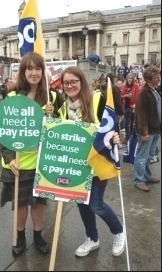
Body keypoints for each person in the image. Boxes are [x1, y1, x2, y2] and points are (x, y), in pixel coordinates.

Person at [57, 66, 125, 257]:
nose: (70, 86)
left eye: (74, 82)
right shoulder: (62, 109)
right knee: (82, 203)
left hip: (96, 161)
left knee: (96, 204)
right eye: (66, 83)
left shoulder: (96, 98)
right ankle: (92, 238)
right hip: (76, 165)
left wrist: (116, 136)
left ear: (81, 82)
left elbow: (111, 122)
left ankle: (118, 231)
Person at [0, 52, 60, 258]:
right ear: (23, 72)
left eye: (38, 68)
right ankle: (20, 236)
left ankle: (37, 234)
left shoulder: (52, 96)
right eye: (29, 68)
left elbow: (59, 129)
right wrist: (10, 158)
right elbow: (3, 131)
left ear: (43, 72)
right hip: (17, 162)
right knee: (20, 203)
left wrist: (54, 116)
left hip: (41, 162)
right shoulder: (12, 97)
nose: (34, 73)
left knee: (38, 202)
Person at [133, 66, 161, 192]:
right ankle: (139, 180)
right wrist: (144, 132)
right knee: (142, 157)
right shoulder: (143, 93)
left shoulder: (154, 90)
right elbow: (141, 114)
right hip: (147, 131)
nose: (159, 79)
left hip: (155, 129)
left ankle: (147, 176)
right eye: (156, 77)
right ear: (149, 79)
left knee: (149, 156)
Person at [121, 73, 140, 144]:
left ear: (133, 79)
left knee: (132, 122)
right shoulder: (124, 86)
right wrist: (125, 96)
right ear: (126, 79)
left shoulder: (136, 86)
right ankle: (127, 136)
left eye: (131, 78)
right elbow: (121, 96)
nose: (129, 80)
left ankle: (131, 136)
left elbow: (138, 95)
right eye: (128, 78)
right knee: (126, 122)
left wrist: (134, 101)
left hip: (132, 106)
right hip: (126, 106)